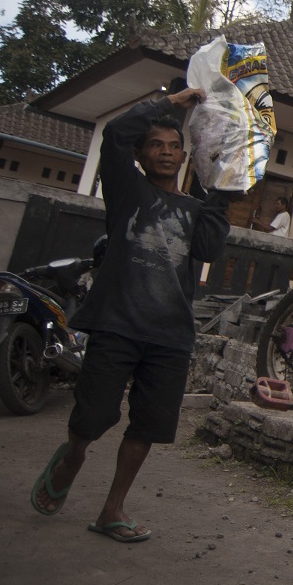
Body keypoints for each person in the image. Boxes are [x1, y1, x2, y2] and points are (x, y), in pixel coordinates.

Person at [30, 88, 232, 542]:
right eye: (156, 145)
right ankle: (73, 456)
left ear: (184, 156)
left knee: (148, 424)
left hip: (170, 335)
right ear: (140, 155)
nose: (165, 151)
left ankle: (112, 508)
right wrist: (169, 106)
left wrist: (222, 192)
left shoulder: (196, 209)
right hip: (118, 323)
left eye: (174, 146)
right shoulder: (126, 191)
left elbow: (208, 249)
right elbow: (116, 134)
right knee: (93, 415)